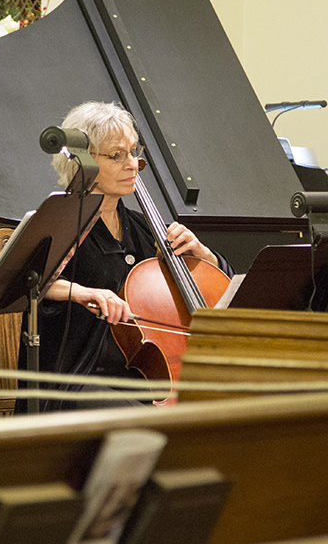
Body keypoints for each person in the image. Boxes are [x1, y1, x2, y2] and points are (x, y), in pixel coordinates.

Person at [18, 101, 233, 410]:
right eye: (117, 155)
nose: (132, 164)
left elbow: (223, 295)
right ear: (82, 160)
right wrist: (80, 292)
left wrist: (204, 256)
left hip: (145, 384)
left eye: (134, 152)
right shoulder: (60, 223)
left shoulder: (145, 229)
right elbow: (22, 281)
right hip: (80, 384)